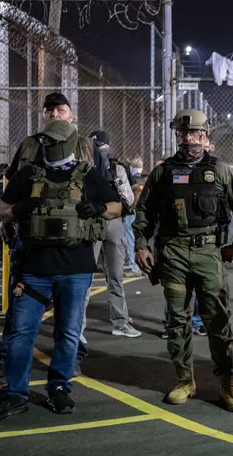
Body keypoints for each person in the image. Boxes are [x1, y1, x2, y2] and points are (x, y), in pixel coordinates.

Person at [0, 120, 121, 423]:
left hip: (76, 268)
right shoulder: (30, 173)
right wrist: (20, 208)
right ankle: (15, 395)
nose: (49, 146)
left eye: (54, 141)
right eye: (46, 141)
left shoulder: (87, 174)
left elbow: (116, 206)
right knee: (20, 334)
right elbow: (0, 209)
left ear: (68, 142)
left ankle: (59, 387)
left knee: (68, 333)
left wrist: (96, 209)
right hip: (33, 269)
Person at [132, 109, 233, 410]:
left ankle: (228, 384)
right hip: (172, 253)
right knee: (177, 320)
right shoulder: (163, 173)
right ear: (177, 136)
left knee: (217, 319)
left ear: (206, 135)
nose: (189, 139)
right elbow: (144, 212)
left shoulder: (222, 170)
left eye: (195, 133)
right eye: (183, 134)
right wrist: (141, 245)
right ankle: (185, 380)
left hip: (209, 254)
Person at [0, 92, 107, 379]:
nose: (54, 114)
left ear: (71, 114)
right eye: (49, 111)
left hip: (74, 243)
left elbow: (107, 193)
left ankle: (72, 357)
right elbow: (11, 189)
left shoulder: (88, 147)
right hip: (31, 240)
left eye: (60, 110)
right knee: (19, 304)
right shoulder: (30, 145)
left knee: (73, 312)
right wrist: (9, 222)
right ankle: (9, 359)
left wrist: (97, 212)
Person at [82, 130, 141, 338]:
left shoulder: (117, 168)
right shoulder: (82, 168)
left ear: (108, 147)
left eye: (102, 146)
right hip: (91, 223)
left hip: (114, 221)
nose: (99, 150)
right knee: (85, 278)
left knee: (115, 276)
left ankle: (121, 322)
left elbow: (128, 199)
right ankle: (78, 327)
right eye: (95, 147)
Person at [124, 156, 145, 277]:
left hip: (132, 212)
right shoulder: (143, 179)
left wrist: (132, 207)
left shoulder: (133, 180)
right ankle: (138, 265)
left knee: (130, 238)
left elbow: (136, 190)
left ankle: (134, 266)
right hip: (139, 212)